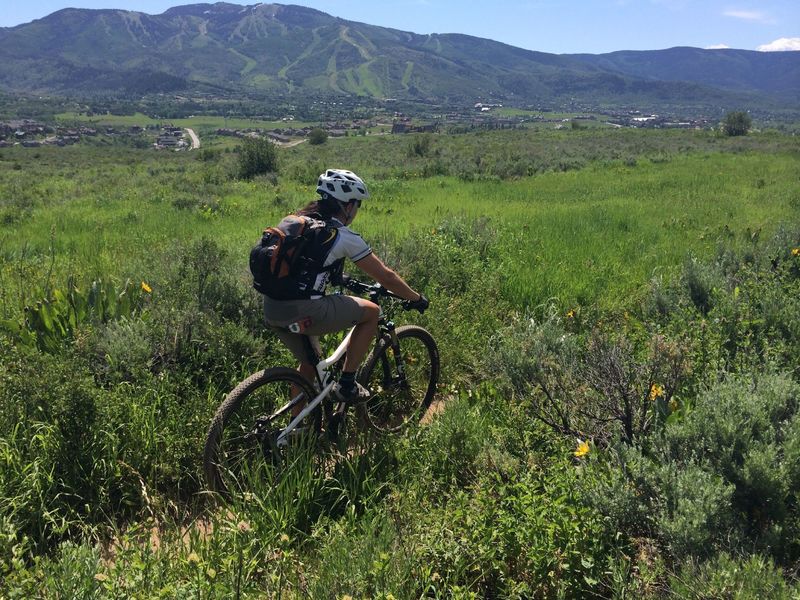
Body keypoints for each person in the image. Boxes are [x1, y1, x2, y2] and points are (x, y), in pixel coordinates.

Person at [263, 169, 428, 406]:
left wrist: (342, 278)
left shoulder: (296, 222)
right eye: (357, 205)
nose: (357, 211)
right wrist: (415, 297)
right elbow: (386, 277)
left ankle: (297, 430)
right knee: (372, 312)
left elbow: (305, 265)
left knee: (311, 364)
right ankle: (347, 384)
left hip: (272, 308)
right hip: (305, 311)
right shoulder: (341, 234)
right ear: (347, 206)